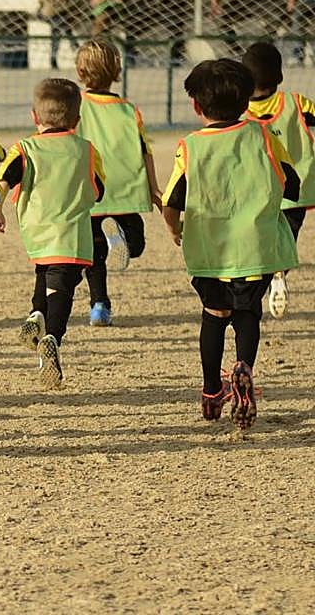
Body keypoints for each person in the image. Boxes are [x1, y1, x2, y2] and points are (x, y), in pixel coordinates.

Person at [162, 58, 299, 429]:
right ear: (245, 103)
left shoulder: (190, 146)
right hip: (255, 248)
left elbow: (173, 199)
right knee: (247, 315)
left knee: (214, 315)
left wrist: (174, 228)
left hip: (209, 250)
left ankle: (210, 391)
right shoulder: (265, 137)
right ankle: (243, 367)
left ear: (196, 105)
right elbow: (292, 183)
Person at [0, 78, 105, 390]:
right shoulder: (86, 150)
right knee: (62, 289)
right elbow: (98, 191)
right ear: (77, 121)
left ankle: (36, 313)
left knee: (46, 274)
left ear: (34, 116)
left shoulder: (23, 148)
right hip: (72, 233)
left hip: (37, 231)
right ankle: (53, 337)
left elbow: (3, 180)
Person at [74, 40, 161, 326]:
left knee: (95, 256)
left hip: (90, 191)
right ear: (117, 71)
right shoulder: (128, 110)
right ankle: (120, 237)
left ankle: (99, 306)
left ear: (80, 71)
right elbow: (145, 151)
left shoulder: (76, 108)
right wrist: (154, 189)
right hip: (126, 191)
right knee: (135, 245)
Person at [242, 41, 315, 319]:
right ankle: (278, 274)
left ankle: (265, 277)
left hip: (259, 191)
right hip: (297, 190)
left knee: (261, 237)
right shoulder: (296, 103)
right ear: (280, 77)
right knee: (287, 236)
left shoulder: (240, 112)